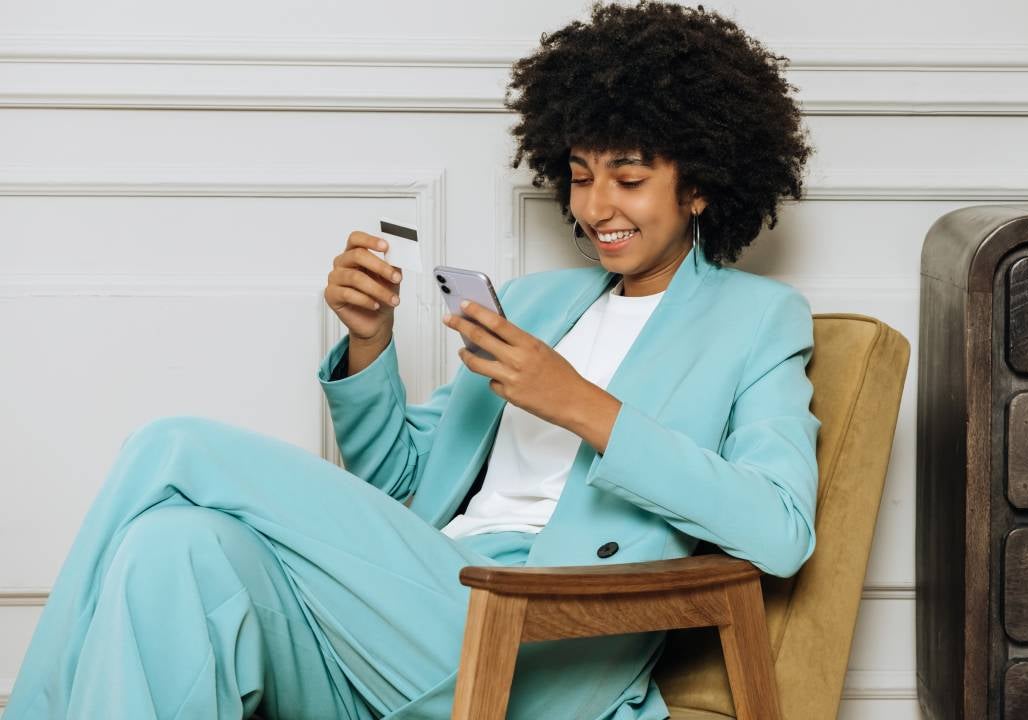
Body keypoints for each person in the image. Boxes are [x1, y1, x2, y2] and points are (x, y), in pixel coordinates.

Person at [4, 1, 818, 718]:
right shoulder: (537, 303)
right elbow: (398, 482)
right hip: (411, 608)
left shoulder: (754, 319)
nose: (596, 206)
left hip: (538, 633)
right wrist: (369, 340)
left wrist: (579, 404)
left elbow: (781, 531)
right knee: (171, 547)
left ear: (699, 186)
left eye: (629, 179)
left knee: (172, 445)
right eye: (579, 178)